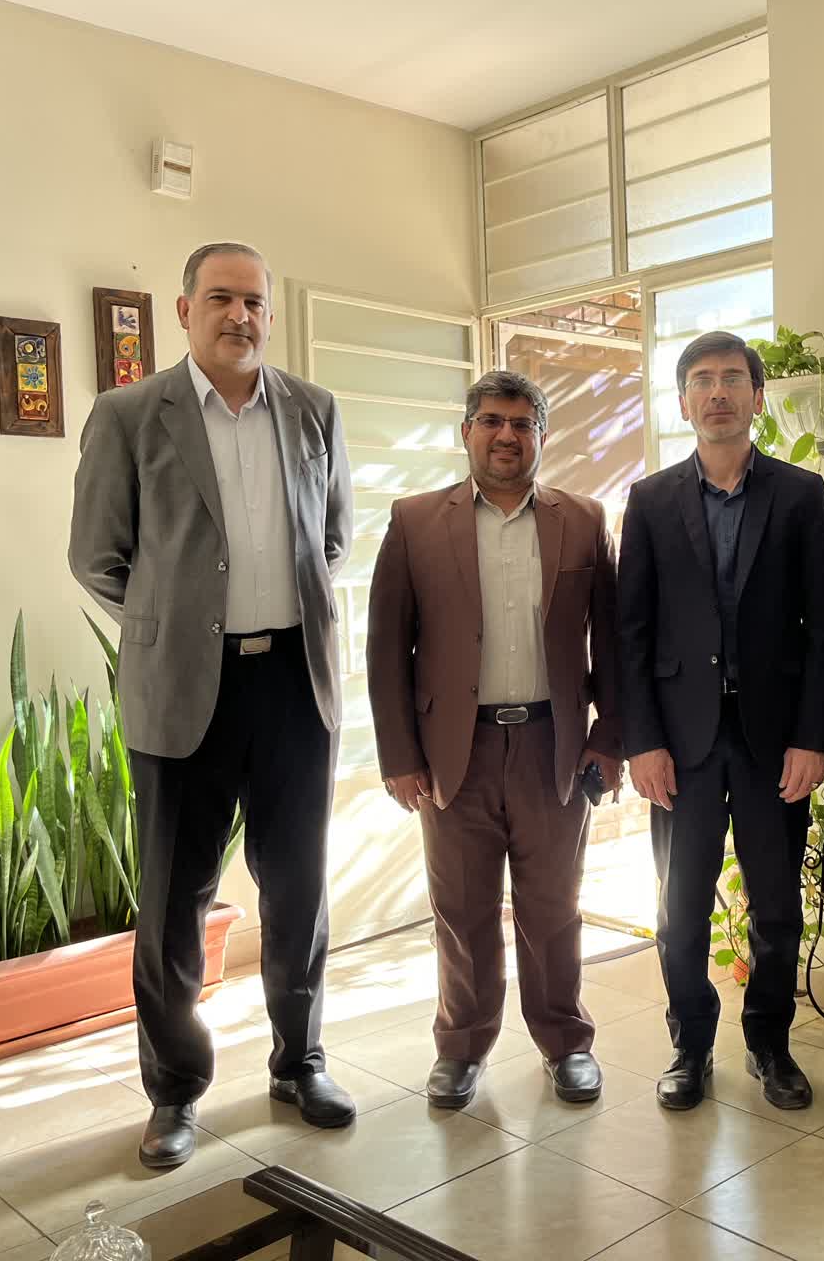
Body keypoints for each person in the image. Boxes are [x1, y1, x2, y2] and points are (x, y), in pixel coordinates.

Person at [69, 242, 356, 1170]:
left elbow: (334, 539)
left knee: (299, 888)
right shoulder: (128, 414)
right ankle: (174, 1092)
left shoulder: (313, 410)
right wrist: (175, 628)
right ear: (184, 309)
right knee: (173, 903)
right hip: (184, 690)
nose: (242, 316)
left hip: (294, 686)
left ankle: (299, 1063)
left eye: (256, 301)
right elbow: (96, 556)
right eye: (223, 298)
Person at [367, 370, 623, 1110]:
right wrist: (399, 757)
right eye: (491, 421)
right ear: (467, 432)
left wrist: (608, 739)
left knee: (554, 907)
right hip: (456, 752)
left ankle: (566, 1042)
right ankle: (461, 1047)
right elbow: (387, 648)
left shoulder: (583, 520)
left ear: (541, 435)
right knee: (462, 910)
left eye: (521, 423)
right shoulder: (415, 521)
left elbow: (612, 643)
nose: (506, 436)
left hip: (553, 749)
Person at [618, 331, 824, 1112]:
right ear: (683, 402)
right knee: (679, 910)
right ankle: (690, 1046)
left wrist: (812, 737)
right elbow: (630, 633)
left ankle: (770, 1045)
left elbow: (822, 629)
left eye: (733, 379)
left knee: (776, 908)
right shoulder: (649, 501)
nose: (718, 392)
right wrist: (641, 742)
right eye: (703, 380)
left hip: (773, 741)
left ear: (756, 396)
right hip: (679, 744)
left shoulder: (800, 495)